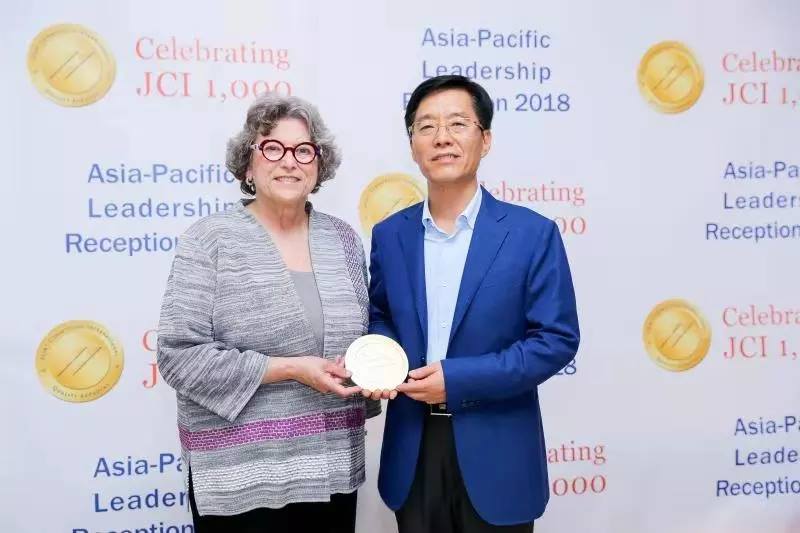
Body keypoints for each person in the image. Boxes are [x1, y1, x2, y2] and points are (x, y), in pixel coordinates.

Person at [366, 75, 580, 532]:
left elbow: (556, 340)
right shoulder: (389, 235)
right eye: (426, 126)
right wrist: (382, 362)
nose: (441, 137)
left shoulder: (532, 234)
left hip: (498, 451)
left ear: (486, 140)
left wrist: (458, 380)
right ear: (412, 145)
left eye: (458, 124)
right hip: (413, 449)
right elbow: (381, 315)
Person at [157, 93, 378, 533]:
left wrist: (371, 372)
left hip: (331, 470)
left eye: (304, 150)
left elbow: (361, 342)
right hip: (241, 475)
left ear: (319, 166)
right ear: (248, 164)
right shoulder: (210, 239)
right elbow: (178, 356)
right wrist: (289, 368)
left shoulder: (343, 240)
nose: (289, 161)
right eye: (272, 148)